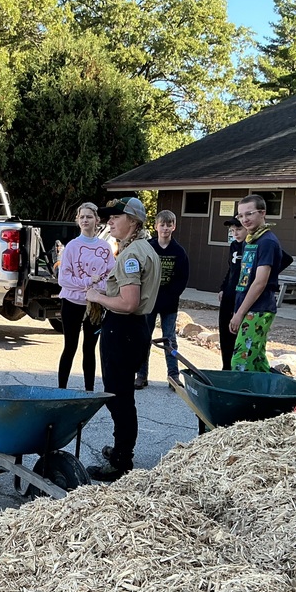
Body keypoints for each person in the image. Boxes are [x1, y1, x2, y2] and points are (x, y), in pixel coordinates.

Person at [84, 197, 161, 482]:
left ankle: (120, 460)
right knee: (122, 395)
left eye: (117, 216)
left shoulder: (131, 255)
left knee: (119, 397)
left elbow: (128, 303)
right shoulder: (142, 248)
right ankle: (120, 449)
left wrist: (96, 296)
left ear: (134, 221)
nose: (110, 221)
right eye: (109, 217)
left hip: (124, 328)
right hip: (135, 328)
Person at [56, 202, 114, 391]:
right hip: (72, 303)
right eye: (82, 217)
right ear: (77, 220)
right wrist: (88, 282)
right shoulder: (72, 247)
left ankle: (89, 391)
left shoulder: (105, 247)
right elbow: (64, 279)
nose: (85, 220)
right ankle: (61, 390)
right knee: (70, 347)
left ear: (97, 220)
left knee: (90, 349)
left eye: (89, 216)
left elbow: (111, 276)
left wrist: (98, 290)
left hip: (94, 306)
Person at [134, 209, 189, 390]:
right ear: (156, 226)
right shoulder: (149, 247)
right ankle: (141, 374)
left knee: (169, 339)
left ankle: (173, 375)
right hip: (149, 301)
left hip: (169, 304)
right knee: (144, 337)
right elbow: (141, 272)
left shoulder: (178, 252)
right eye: (162, 224)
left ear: (174, 226)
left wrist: (171, 295)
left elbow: (182, 278)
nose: (165, 228)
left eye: (169, 225)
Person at [229, 194, 284, 372]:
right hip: (247, 306)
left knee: (240, 362)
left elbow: (260, 283)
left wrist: (240, 314)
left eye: (249, 214)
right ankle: (276, 395)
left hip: (259, 309)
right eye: (240, 215)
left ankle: (243, 399)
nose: (244, 219)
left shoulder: (267, 242)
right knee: (257, 360)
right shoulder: (251, 239)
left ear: (262, 213)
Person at [217, 216, 247, 370]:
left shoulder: (255, 245)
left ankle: (237, 369)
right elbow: (231, 269)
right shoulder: (234, 246)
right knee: (225, 330)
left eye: (239, 229)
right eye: (232, 230)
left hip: (244, 297)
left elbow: (283, 259)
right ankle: (226, 366)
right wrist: (223, 287)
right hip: (229, 294)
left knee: (238, 334)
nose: (235, 233)